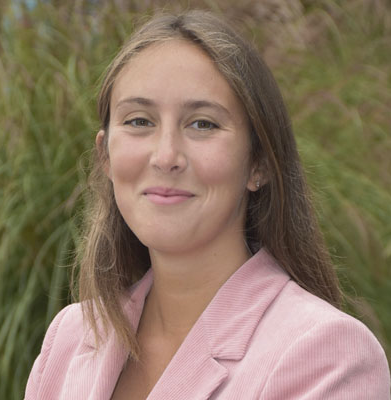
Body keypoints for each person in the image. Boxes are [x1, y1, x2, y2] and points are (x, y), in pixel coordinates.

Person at [25, 10, 390, 400]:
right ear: (106, 157)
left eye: (203, 124)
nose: (166, 156)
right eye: (138, 121)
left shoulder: (326, 354)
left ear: (259, 163)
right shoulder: (72, 336)